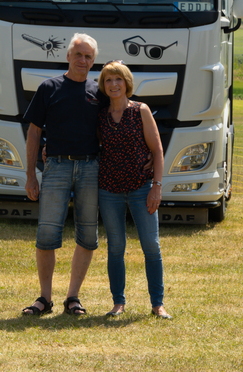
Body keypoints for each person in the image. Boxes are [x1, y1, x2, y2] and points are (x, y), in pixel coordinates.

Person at [22, 33, 103, 317]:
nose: (83, 60)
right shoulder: (49, 88)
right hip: (55, 167)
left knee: (88, 235)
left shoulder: (100, 92)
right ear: (67, 56)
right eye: (79, 55)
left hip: (90, 168)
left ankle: (73, 298)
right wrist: (31, 174)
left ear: (94, 61)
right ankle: (44, 298)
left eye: (89, 57)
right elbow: (34, 132)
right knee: (47, 234)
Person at [97, 60, 172, 319]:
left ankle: (157, 304)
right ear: (103, 86)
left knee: (151, 246)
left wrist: (156, 187)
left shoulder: (141, 110)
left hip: (142, 188)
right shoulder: (101, 115)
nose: (113, 84)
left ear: (127, 82)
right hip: (109, 190)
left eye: (118, 79)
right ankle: (118, 302)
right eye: (108, 80)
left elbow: (157, 150)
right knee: (115, 247)